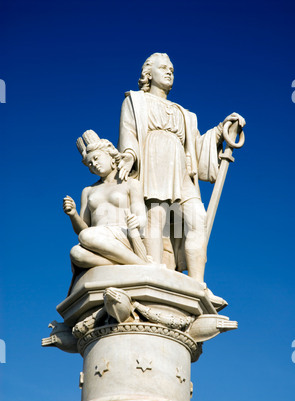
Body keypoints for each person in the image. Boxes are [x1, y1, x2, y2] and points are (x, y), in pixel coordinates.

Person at [117, 52, 245, 283]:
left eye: (172, 70)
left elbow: (194, 146)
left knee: (198, 219)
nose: (169, 72)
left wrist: (220, 130)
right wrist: (128, 156)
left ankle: (198, 283)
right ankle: (154, 272)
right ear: (148, 73)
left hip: (182, 168)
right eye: (164, 68)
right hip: (154, 158)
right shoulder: (135, 101)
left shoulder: (185, 114)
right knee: (156, 216)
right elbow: (129, 133)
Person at [63, 130, 148, 269]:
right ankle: (131, 263)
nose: (94, 164)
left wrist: (136, 221)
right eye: (90, 164)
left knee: (86, 237)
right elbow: (83, 228)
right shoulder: (88, 191)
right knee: (76, 253)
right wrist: (73, 214)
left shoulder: (130, 183)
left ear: (110, 156)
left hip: (122, 235)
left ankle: (141, 265)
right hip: (97, 240)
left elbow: (142, 217)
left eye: (96, 158)